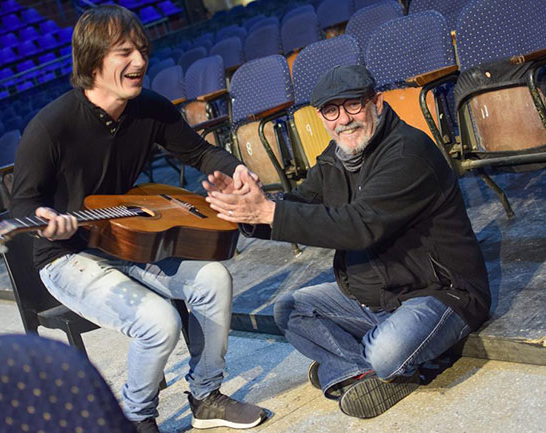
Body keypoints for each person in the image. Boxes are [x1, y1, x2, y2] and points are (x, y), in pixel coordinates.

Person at [10, 5, 267, 432]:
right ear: (93, 61)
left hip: (127, 240)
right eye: (125, 52)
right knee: (158, 321)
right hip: (65, 256)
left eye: (143, 50)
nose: (140, 61)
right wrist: (44, 217)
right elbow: (21, 205)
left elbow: (201, 152)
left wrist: (234, 168)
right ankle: (136, 418)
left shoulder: (149, 108)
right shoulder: (50, 127)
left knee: (213, 280)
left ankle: (205, 396)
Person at [203, 65, 491, 419]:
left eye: (353, 105)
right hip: (377, 298)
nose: (344, 120)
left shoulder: (408, 152)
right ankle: (361, 372)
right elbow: (303, 203)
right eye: (331, 110)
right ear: (322, 117)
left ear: (377, 103)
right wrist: (251, 210)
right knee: (291, 308)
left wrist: (269, 213)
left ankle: (351, 366)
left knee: (386, 351)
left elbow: (359, 226)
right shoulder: (334, 157)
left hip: (440, 294)